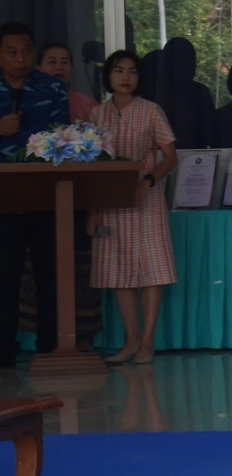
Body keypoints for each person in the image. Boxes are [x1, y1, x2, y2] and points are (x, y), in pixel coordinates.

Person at [88, 50, 176, 364]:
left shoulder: (151, 110)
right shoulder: (96, 115)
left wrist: (147, 181)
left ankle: (148, 342)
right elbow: (90, 166)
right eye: (119, 71)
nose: (126, 77)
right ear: (108, 76)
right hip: (110, 200)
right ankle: (131, 340)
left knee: (152, 271)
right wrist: (93, 209)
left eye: (132, 71)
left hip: (146, 198)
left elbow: (170, 156)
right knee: (118, 271)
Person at [0, 21, 70, 366]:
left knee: (50, 275)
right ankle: (3, 350)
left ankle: (50, 347)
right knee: (5, 276)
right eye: (11, 52)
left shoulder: (51, 87)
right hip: (4, 199)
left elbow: (62, 137)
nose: (20, 58)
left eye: (27, 51)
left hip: (46, 196)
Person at [38, 43, 95, 122]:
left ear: (72, 68)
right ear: (38, 68)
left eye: (64, 62)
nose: (59, 67)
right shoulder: (28, 102)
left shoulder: (89, 106)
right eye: (52, 62)